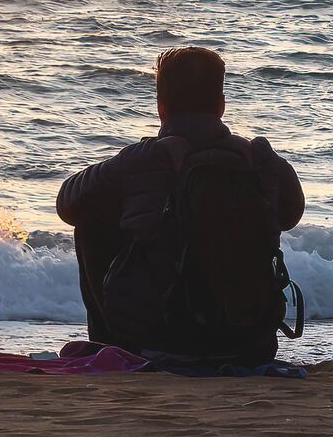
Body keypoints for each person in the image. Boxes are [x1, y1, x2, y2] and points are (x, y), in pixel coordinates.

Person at [54, 45, 304, 364]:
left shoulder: (143, 159)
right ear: (221, 105)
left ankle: (111, 344)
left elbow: (67, 204)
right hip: (250, 340)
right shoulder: (259, 159)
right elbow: (291, 214)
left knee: (90, 221)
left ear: (162, 108)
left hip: (160, 339)